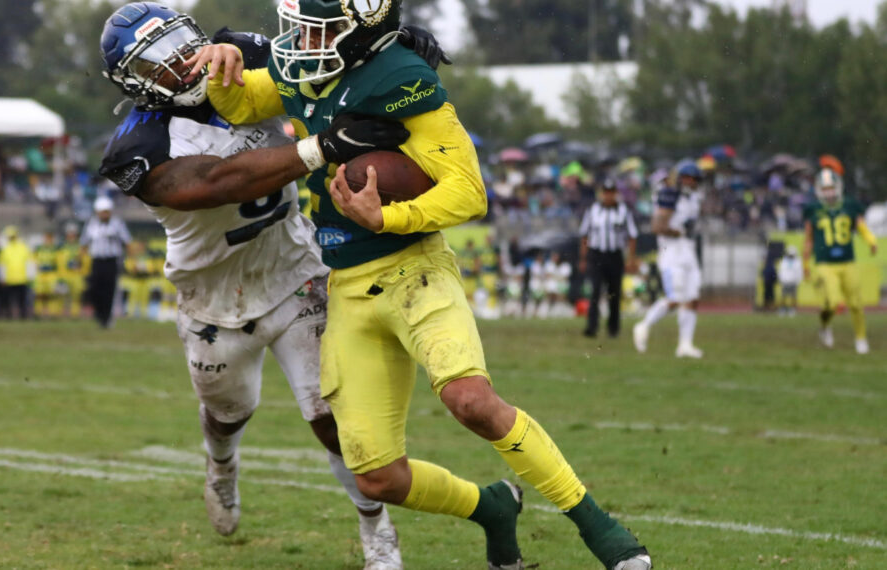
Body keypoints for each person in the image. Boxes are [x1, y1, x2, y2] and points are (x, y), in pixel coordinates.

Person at [197, 1, 651, 568]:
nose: (299, 40)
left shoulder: (402, 79)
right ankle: (492, 509)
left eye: (317, 28)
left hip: (415, 266)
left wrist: (389, 218)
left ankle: (599, 530)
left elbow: (468, 191)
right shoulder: (304, 70)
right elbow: (240, 103)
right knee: (378, 479)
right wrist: (225, 61)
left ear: (360, 30)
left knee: (471, 401)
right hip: (347, 287)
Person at [95, 4, 439, 566]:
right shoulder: (139, 147)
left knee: (331, 415)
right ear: (135, 82)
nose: (182, 65)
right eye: (158, 62)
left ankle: (376, 530)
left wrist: (388, 46)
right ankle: (221, 465)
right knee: (228, 412)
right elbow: (215, 183)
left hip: (295, 270)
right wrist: (321, 147)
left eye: (182, 46)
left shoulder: (248, 56)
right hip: (211, 298)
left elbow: (333, 52)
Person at [633, 159, 703, 359]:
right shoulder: (669, 194)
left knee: (692, 297)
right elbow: (657, 227)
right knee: (675, 298)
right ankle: (643, 325)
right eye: (693, 179)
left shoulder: (693, 197)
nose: (696, 183)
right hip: (671, 250)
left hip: (687, 249)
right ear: (684, 178)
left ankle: (685, 345)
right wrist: (678, 231)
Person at [802, 168, 877, 353]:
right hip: (825, 263)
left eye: (831, 187)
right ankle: (825, 326)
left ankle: (861, 338)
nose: (829, 192)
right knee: (833, 303)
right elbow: (809, 238)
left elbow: (861, 226)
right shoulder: (813, 209)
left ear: (839, 187)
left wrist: (871, 241)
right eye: (825, 188)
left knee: (856, 304)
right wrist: (805, 264)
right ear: (819, 189)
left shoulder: (850, 205)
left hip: (847, 261)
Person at [579, 179, 638, 338]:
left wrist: (631, 258)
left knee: (614, 293)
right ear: (602, 193)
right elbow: (584, 235)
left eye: (611, 192)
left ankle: (613, 328)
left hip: (615, 255)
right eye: (605, 192)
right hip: (596, 255)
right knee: (595, 291)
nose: (608, 195)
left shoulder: (624, 211)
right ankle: (592, 327)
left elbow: (632, 235)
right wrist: (584, 258)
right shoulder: (592, 210)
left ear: (615, 193)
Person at [80, 196, 130, 328]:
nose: (104, 214)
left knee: (109, 290)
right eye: (102, 211)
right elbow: (84, 243)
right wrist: (80, 259)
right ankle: (98, 313)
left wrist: (130, 259)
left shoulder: (117, 224)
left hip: (111, 261)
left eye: (106, 211)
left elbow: (127, 241)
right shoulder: (91, 224)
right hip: (96, 261)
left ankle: (106, 318)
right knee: (95, 288)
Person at [0, 226, 34, 320]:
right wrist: (2, 278)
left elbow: (29, 262)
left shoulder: (23, 247)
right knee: (10, 300)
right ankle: (11, 316)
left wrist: (30, 276)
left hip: (22, 279)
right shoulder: (5, 249)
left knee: (22, 300)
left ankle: (23, 316)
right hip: (10, 279)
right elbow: (2, 265)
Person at [33, 230, 62, 318]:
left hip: (52, 275)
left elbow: (59, 263)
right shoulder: (39, 249)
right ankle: (38, 312)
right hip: (41, 275)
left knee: (52, 294)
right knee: (39, 294)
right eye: (46, 238)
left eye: (49, 238)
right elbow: (34, 261)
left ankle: (53, 313)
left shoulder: (56, 249)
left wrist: (60, 276)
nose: (47, 240)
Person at [777, 245, 802, 317]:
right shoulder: (784, 261)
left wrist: (798, 281)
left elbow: (799, 272)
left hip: (793, 281)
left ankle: (792, 310)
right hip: (785, 281)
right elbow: (781, 271)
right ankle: (782, 309)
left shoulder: (797, 261)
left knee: (793, 297)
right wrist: (781, 279)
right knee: (783, 297)